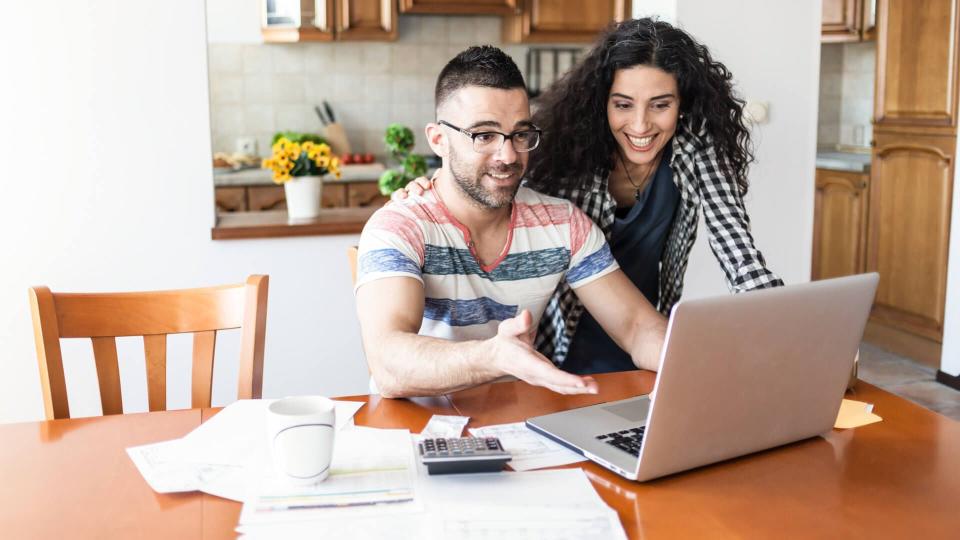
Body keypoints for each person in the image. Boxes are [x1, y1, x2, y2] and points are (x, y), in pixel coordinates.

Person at [394, 18, 783, 375]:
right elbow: (493, 177)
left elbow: (741, 256)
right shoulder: (566, 151)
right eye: (623, 105)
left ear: (683, 104)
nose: (641, 124)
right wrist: (430, 190)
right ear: (602, 102)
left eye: (661, 105)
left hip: (647, 338)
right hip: (558, 344)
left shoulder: (696, 153)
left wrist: (784, 334)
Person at [354, 46, 667, 398]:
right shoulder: (400, 226)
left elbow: (637, 327)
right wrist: (495, 357)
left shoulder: (563, 224)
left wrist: (704, 360)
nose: (507, 155)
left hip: (519, 424)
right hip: (414, 429)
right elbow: (387, 363)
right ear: (439, 140)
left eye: (520, 134)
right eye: (484, 135)